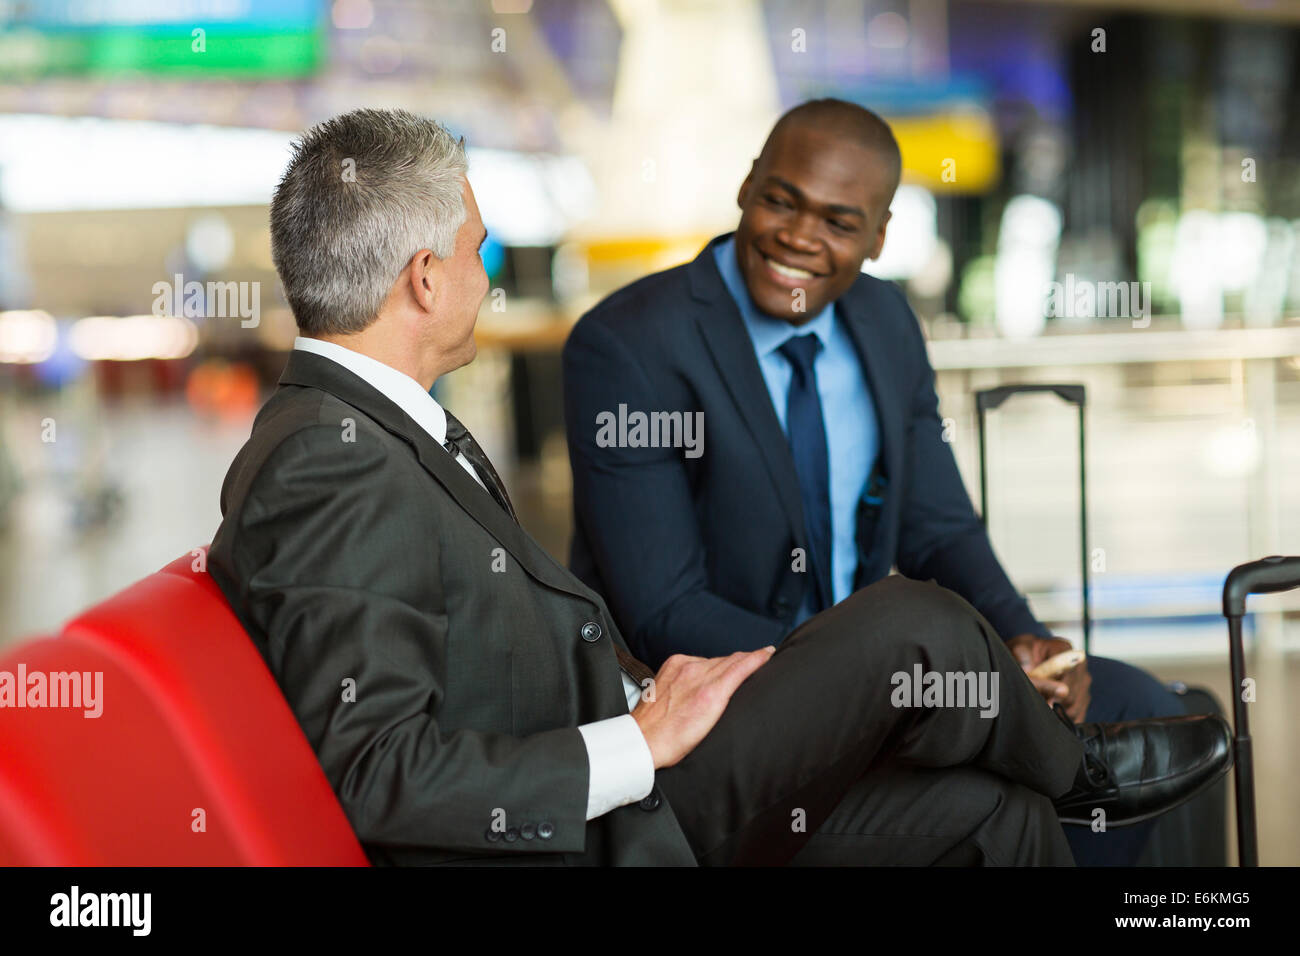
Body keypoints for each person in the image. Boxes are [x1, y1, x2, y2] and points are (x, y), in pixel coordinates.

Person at [208, 108, 1231, 867]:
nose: (492, 272)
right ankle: (1079, 766)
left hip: (642, 753)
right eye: (479, 248)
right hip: (609, 822)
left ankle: (1054, 757)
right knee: (908, 626)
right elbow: (378, 771)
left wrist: (638, 701)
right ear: (425, 279)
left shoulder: (374, 430)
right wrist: (633, 739)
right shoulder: (330, 457)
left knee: (995, 819)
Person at [561, 98, 1206, 865]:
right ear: (746, 187)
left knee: (1144, 706)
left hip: (895, 668)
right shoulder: (629, 343)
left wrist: (1024, 641)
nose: (799, 237)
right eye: (780, 200)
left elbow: (940, 529)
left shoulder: (884, 323)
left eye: (838, 222)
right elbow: (664, 609)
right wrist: (857, 682)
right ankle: (1072, 771)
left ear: (878, 237)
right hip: (725, 703)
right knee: (1007, 773)